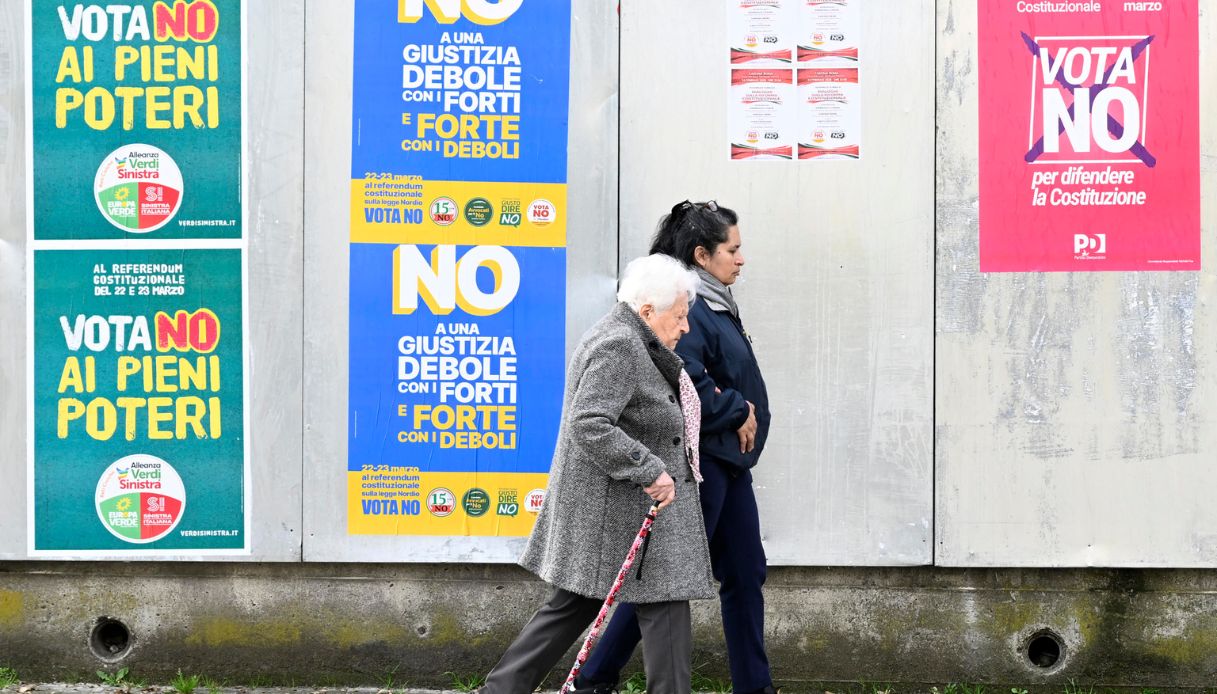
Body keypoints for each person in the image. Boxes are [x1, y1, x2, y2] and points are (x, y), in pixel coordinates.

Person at [480, 254, 716, 694]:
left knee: (575, 608)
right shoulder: (621, 345)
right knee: (648, 609)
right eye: (680, 316)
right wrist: (650, 470)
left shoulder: (628, 337)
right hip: (618, 515)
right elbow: (589, 421)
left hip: (616, 516)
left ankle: (501, 690)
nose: (685, 327)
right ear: (648, 311)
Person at [576, 202, 774, 694]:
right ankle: (595, 678)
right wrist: (739, 410)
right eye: (733, 249)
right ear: (703, 255)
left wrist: (742, 412)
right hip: (699, 468)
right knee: (662, 583)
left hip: (730, 466)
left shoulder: (716, 303)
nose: (741, 258)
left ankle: (756, 687)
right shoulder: (687, 310)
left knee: (746, 573)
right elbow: (684, 384)